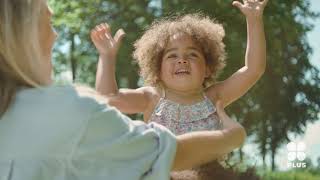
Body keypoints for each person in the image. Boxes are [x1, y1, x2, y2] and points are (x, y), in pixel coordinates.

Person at [0, 0, 246, 179]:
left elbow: (252, 69)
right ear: (21, 35)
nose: (55, 35)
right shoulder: (74, 111)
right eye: (49, 21)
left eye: (192, 54)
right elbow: (168, 155)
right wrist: (231, 137)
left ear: (208, 67)